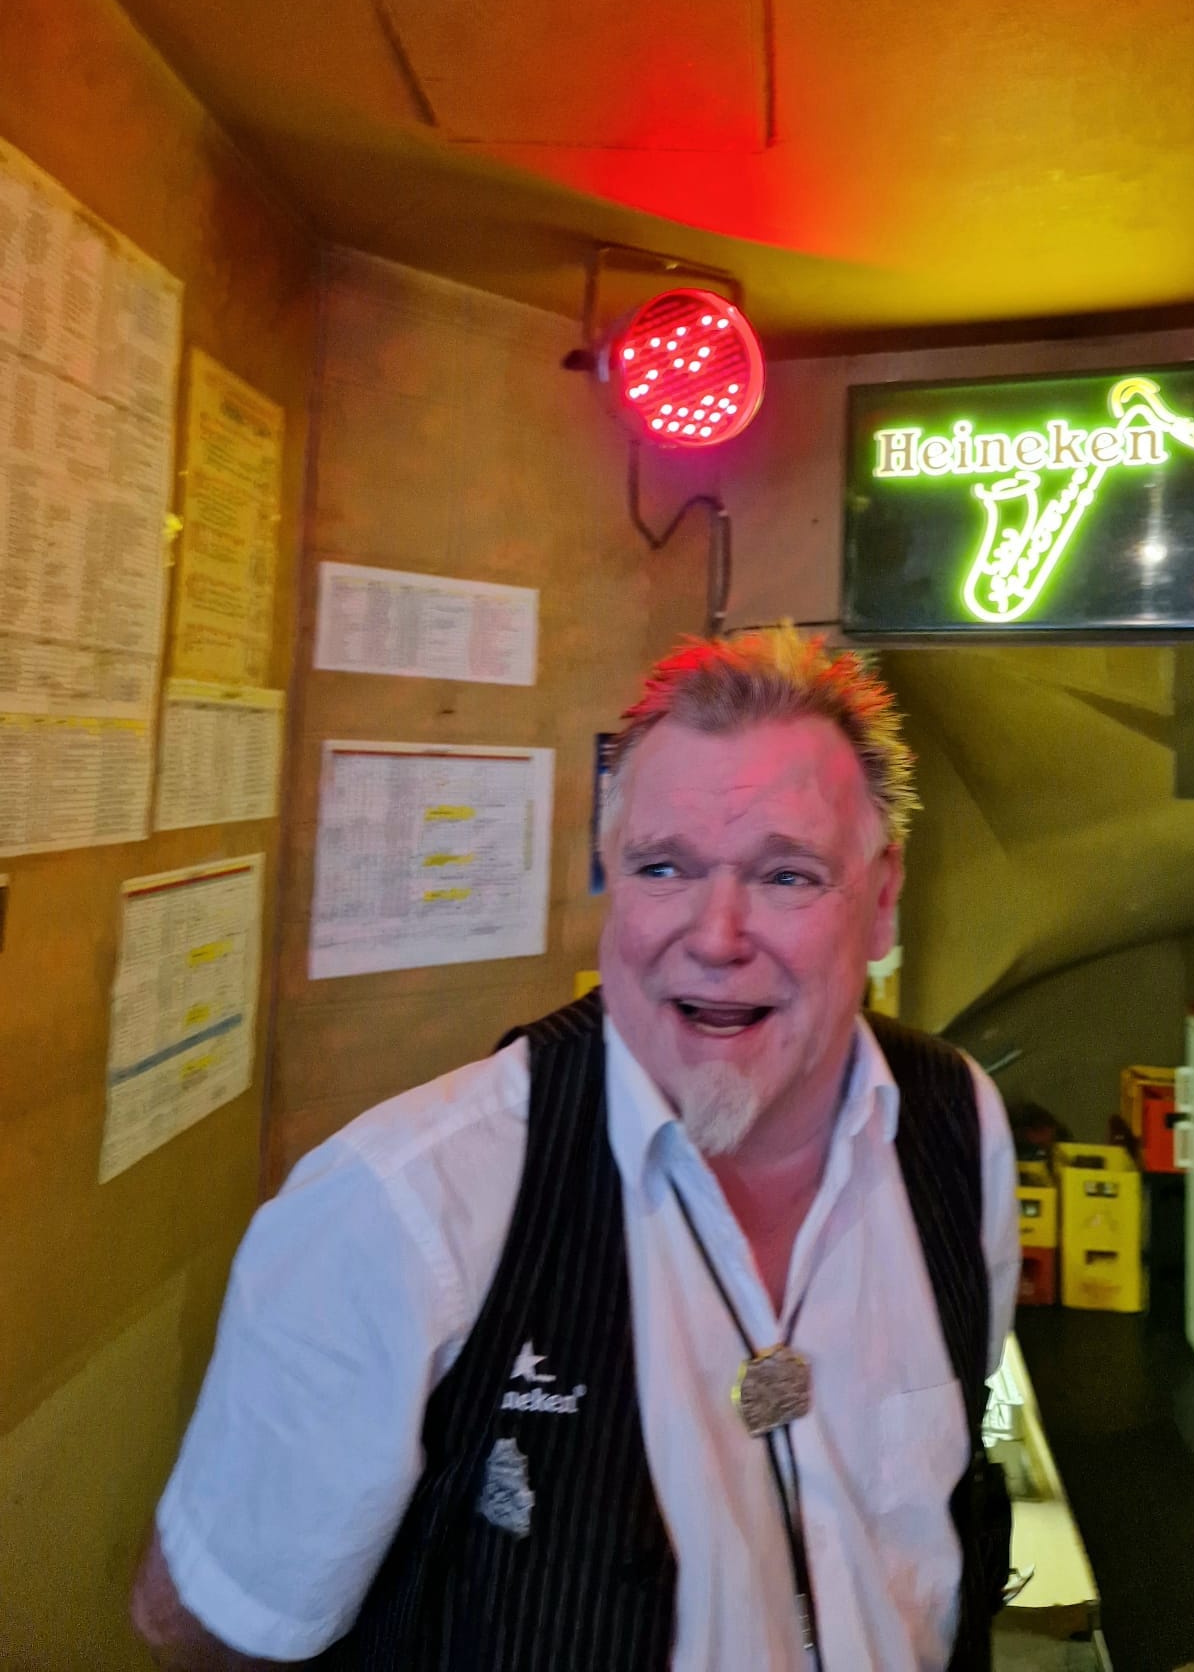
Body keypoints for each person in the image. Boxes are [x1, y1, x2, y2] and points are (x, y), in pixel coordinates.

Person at [132, 626, 1020, 1671]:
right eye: (663, 866)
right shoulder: (403, 1206)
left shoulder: (957, 1123)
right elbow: (215, 1623)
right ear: (612, 877)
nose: (716, 935)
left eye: (787, 875)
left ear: (881, 899)